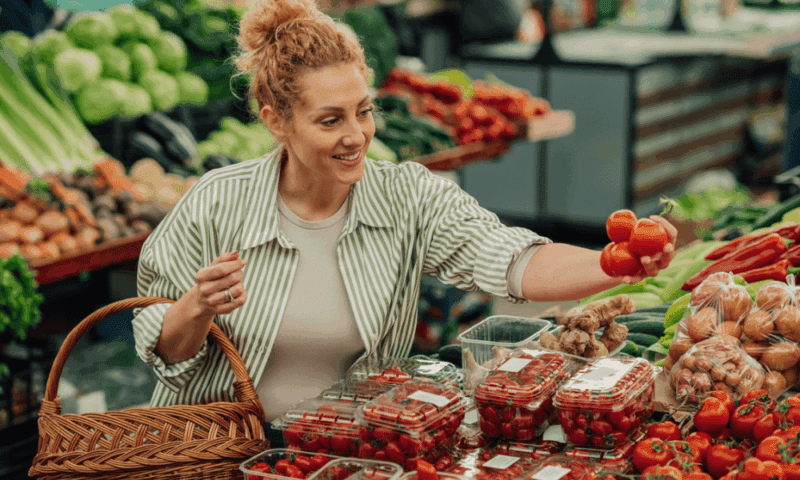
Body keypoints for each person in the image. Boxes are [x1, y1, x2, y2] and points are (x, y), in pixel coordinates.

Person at [132, 0, 677, 428]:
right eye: (330, 121)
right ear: (277, 122)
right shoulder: (216, 203)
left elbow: (509, 258)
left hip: (343, 452)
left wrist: (615, 265)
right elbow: (160, 348)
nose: (355, 136)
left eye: (363, 111)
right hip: (214, 456)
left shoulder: (406, 195)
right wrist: (197, 307)